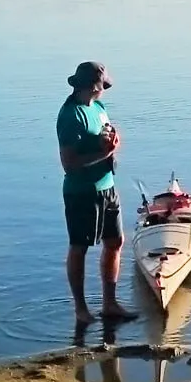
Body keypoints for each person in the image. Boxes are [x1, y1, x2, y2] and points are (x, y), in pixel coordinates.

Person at [57, 61, 134, 328]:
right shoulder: (71, 115)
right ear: (93, 86)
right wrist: (104, 153)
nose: (104, 91)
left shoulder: (99, 108)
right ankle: (80, 309)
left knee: (115, 242)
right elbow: (69, 163)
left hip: (107, 186)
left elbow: (106, 137)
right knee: (80, 248)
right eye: (102, 86)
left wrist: (114, 143)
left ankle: (109, 304)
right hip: (82, 192)